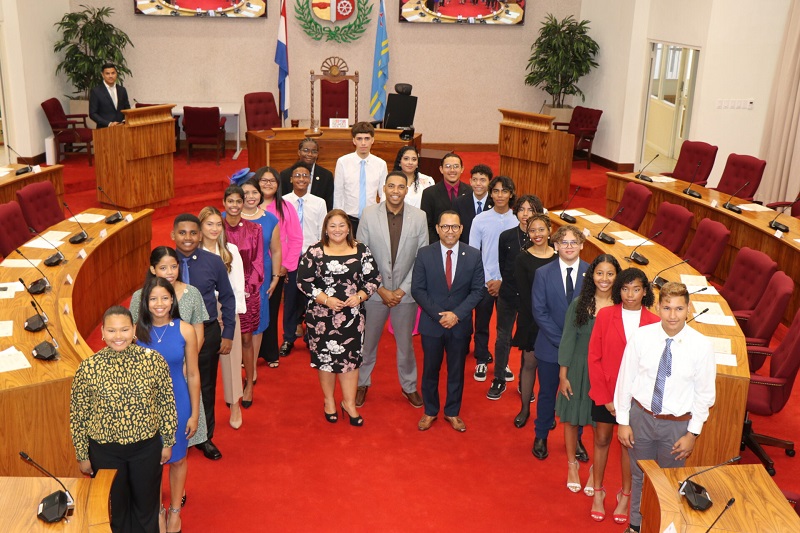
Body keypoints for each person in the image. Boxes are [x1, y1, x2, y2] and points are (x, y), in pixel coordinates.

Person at [615, 282, 716, 533]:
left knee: (671, 481)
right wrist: (623, 421)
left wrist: (692, 433)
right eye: (667, 308)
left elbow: (705, 395)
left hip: (677, 426)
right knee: (640, 477)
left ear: (688, 310)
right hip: (642, 418)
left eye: (679, 308)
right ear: (658, 307)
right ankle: (636, 526)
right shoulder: (642, 336)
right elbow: (625, 380)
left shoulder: (701, 346)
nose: (673, 315)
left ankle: (663, 528)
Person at [70, 306, 177, 533]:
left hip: (146, 449)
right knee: (117, 511)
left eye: (124, 330)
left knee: (146, 509)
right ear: (102, 332)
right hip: (105, 452)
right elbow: (79, 415)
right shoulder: (88, 368)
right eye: (112, 331)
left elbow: (166, 403)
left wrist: (167, 441)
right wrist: (82, 455)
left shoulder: (153, 362)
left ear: (134, 330)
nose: (118, 336)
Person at [587, 267, 659, 523]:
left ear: (645, 292)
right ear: (619, 290)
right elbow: (594, 358)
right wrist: (607, 398)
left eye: (636, 289)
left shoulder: (654, 322)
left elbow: (652, 366)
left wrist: (630, 402)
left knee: (629, 446)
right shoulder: (606, 315)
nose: (630, 294)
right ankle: (597, 492)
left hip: (635, 399)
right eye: (626, 289)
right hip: (606, 394)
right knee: (602, 440)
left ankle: (626, 495)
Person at [297, 209, 381, 426]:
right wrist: (325, 299)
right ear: (326, 228)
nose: (337, 230)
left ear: (348, 228)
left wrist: (360, 296)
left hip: (352, 316)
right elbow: (303, 281)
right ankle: (329, 402)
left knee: (350, 361)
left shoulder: (360, 249)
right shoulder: (315, 251)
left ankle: (349, 403)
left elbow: (374, 278)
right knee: (326, 360)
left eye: (341, 225)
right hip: (321, 317)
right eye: (332, 226)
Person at [356, 171, 428, 408]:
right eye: (391, 186)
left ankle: (409, 386)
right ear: (384, 188)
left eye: (400, 187)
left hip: (404, 296)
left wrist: (401, 290)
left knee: (406, 345)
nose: (395, 191)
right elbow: (362, 256)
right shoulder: (368, 214)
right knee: (367, 343)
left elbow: (421, 257)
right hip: (374, 294)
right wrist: (381, 289)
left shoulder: (419, 217)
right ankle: (361, 383)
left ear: (406, 190)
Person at [135, 278, 200, 533]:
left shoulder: (185, 329)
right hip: (145, 408)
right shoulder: (135, 331)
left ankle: (174, 510)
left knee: (178, 459)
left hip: (179, 402)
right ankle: (157, 509)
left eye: (164, 298)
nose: (159, 304)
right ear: (146, 302)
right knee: (150, 461)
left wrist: (195, 413)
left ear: (172, 300)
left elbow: (193, 374)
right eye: (153, 299)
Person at [412, 210, 485, 432]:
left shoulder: (473, 255)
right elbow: (418, 289)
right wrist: (439, 315)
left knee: (456, 370)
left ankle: (452, 412)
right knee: (430, 370)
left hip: (459, 324)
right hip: (432, 324)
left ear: (461, 229)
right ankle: (430, 410)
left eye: (454, 227)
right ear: (437, 229)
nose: (450, 231)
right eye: (445, 227)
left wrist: (456, 315)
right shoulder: (425, 254)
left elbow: (477, 291)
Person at [171, 214, 236, 461]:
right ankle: (174, 433)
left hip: (207, 332)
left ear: (200, 235)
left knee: (206, 385)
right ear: (173, 235)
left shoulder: (213, 262)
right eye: (182, 233)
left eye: (193, 233)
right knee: (175, 384)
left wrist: (227, 333)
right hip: (173, 333)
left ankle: (205, 437)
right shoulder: (165, 263)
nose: (188, 238)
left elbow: (227, 297)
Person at [556, 255, 620, 499]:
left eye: (610, 274)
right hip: (578, 368)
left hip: (605, 373)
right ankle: (572, 465)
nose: (604, 279)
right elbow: (567, 340)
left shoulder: (620, 306)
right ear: (592, 275)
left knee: (600, 426)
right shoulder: (580, 303)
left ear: (617, 276)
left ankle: (596, 469)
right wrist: (564, 374)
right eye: (599, 273)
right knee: (572, 420)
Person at [532, 224, 589, 461]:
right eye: (564, 243)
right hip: (550, 346)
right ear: (555, 246)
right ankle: (541, 434)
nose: (568, 247)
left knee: (578, 394)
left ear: (582, 246)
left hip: (581, 351)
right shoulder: (543, 273)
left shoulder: (591, 274)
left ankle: (576, 439)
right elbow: (539, 311)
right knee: (547, 393)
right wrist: (564, 342)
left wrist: (575, 345)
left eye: (573, 242)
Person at [486, 194, 542, 399]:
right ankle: (499, 378)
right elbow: (503, 265)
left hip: (531, 299)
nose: (526, 214)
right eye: (522, 209)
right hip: (508, 294)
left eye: (531, 210)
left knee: (528, 341)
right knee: (503, 337)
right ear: (516, 212)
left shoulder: (542, 239)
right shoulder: (506, 236)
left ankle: (523, 382)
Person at [199, 206, 248, 430]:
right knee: (200, 365)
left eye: (218, 224)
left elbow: (238, 286)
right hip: (201, 313)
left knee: (230, 360)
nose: (214, 228)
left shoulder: (230, 250)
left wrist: (230, 317)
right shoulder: (193, 252)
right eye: (209, 224)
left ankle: (234, 404)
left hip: (227, 310)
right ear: (200, 226)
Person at [468, 176, 519, 382]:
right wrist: (489, 280)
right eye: (496, 191)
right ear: (491, 193)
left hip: (509, 283)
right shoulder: (479, 219)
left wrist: (503, 282)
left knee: (505, 327)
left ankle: (502, 362)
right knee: (481, 323)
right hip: (484, 282)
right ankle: (481, 359)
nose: (500, 195)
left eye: (504, 191)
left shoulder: (517, 220)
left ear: (511, 194)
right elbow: (473, 253)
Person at [222, 184, 264, 410]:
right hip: (222, 294)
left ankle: (249, 383)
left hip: (248, 292)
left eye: (239, 201)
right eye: (231, 201)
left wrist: (247, 287)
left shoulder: (255, 229)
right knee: (227, 341)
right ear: (224, 203)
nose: (235, 205)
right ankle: (231, 386)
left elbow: (258, 262)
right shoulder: (216, 228)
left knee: (247, 339)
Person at [512, 214, 557, 427]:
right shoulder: (522, 259)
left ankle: (547, 411)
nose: (537, 234)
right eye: (532, 230)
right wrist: (540, 319)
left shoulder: (558, 257)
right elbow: (523, 294)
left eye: (541, 229)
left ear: (549, 230)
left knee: (552, 369)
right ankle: (524, 408)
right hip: (531, 320)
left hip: (556, 321)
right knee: (529, 364)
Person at [236, 171, 281, 374]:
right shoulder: (227, 217)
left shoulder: (270, 219)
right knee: (235, 321)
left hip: (260, 279)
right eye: (245, 193)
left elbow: (276, 250)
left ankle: (252, 367)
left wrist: (276, 277)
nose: (251, 196)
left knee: (259, 322)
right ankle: (237, 361)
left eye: (254, 192)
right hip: (234, 279)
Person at [256, 167, 301, 367]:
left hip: (275, 268)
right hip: (251, 270)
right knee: (251, 311)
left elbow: (296, 238)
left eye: (272, 180)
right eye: (263, 180)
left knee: (271, 311)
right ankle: (250, 352)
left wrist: (286, 265)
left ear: (278, 184)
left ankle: (270, 352)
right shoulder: (248, 205)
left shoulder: (285, 206)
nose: (268, 184)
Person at [282, 161, 327, 355]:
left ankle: (312, 338)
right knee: (290, 300)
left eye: (305, 176)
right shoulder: (282, 201)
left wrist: (317, 258)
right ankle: (288, 338)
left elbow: (322, 232)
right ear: (291, 179)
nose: (301, 179)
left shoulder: (319, 202)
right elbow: (281, 233)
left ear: (310, 179)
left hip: (312, 258)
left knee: (312, 299)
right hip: (290, 258)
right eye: (297, 175)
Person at [333, 121, 388, 235]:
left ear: (372, 140)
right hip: (348, 218)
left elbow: (383, 193)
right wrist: (339, 218)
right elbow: (338, 193)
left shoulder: (381, 164)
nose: (363, 143)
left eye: (367, 139)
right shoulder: (343, 162)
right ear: (354, 140)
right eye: (359, 139)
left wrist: (381, 215)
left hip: (372, 218)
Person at [420, 152, 471, 243]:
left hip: (464, 246)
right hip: (437, 245)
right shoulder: (429, 193)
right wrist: (441, 246)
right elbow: (427, 225)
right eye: (447, 166)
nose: (452, 170)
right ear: (441, 169)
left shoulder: (470, 192)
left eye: (456, 166)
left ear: (462, 169)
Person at [280, 137, 334, 210]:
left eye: (314, 151)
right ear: (299, 152)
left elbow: (328, 205)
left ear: (317, 154)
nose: (310, 154)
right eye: (306, 150)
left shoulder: (326, 176)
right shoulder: (285, 174)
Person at [454, 164, 493, 244]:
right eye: (474, 180)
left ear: (490, 182)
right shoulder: (459, 202)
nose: (478, 183)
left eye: (482, 180)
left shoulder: (494, 203)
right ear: (470, 181)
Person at [89, 63, 130, 128]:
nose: (111, 76)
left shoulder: (122, 90)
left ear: (116, 74)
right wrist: (109, 123)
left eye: (113, 73)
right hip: (104, 129)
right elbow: (93, 114)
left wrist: (124, 121)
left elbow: (127, 109)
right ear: (102, 75)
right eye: (107, 73)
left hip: (122, 128)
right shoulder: (96, 91)